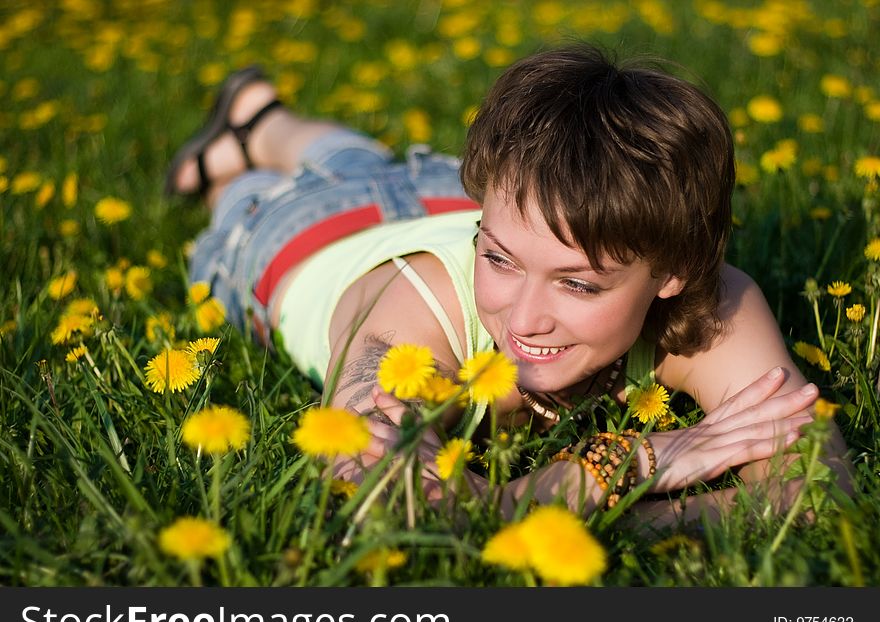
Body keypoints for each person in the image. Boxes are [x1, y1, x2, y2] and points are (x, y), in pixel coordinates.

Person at [166, 43, 853, 528]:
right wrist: (633, 462)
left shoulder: (714, 304)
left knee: (355, 160)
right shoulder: (411, 313)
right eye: (496, 263)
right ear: (487, 212)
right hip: (294, 233)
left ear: (673, 270)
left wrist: (617, 521)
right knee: (256, 187)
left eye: (579, 286)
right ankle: (252, 136)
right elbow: (376, 492)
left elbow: (819, 490)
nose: (523, 319)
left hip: (475, 208)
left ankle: (254, 121)